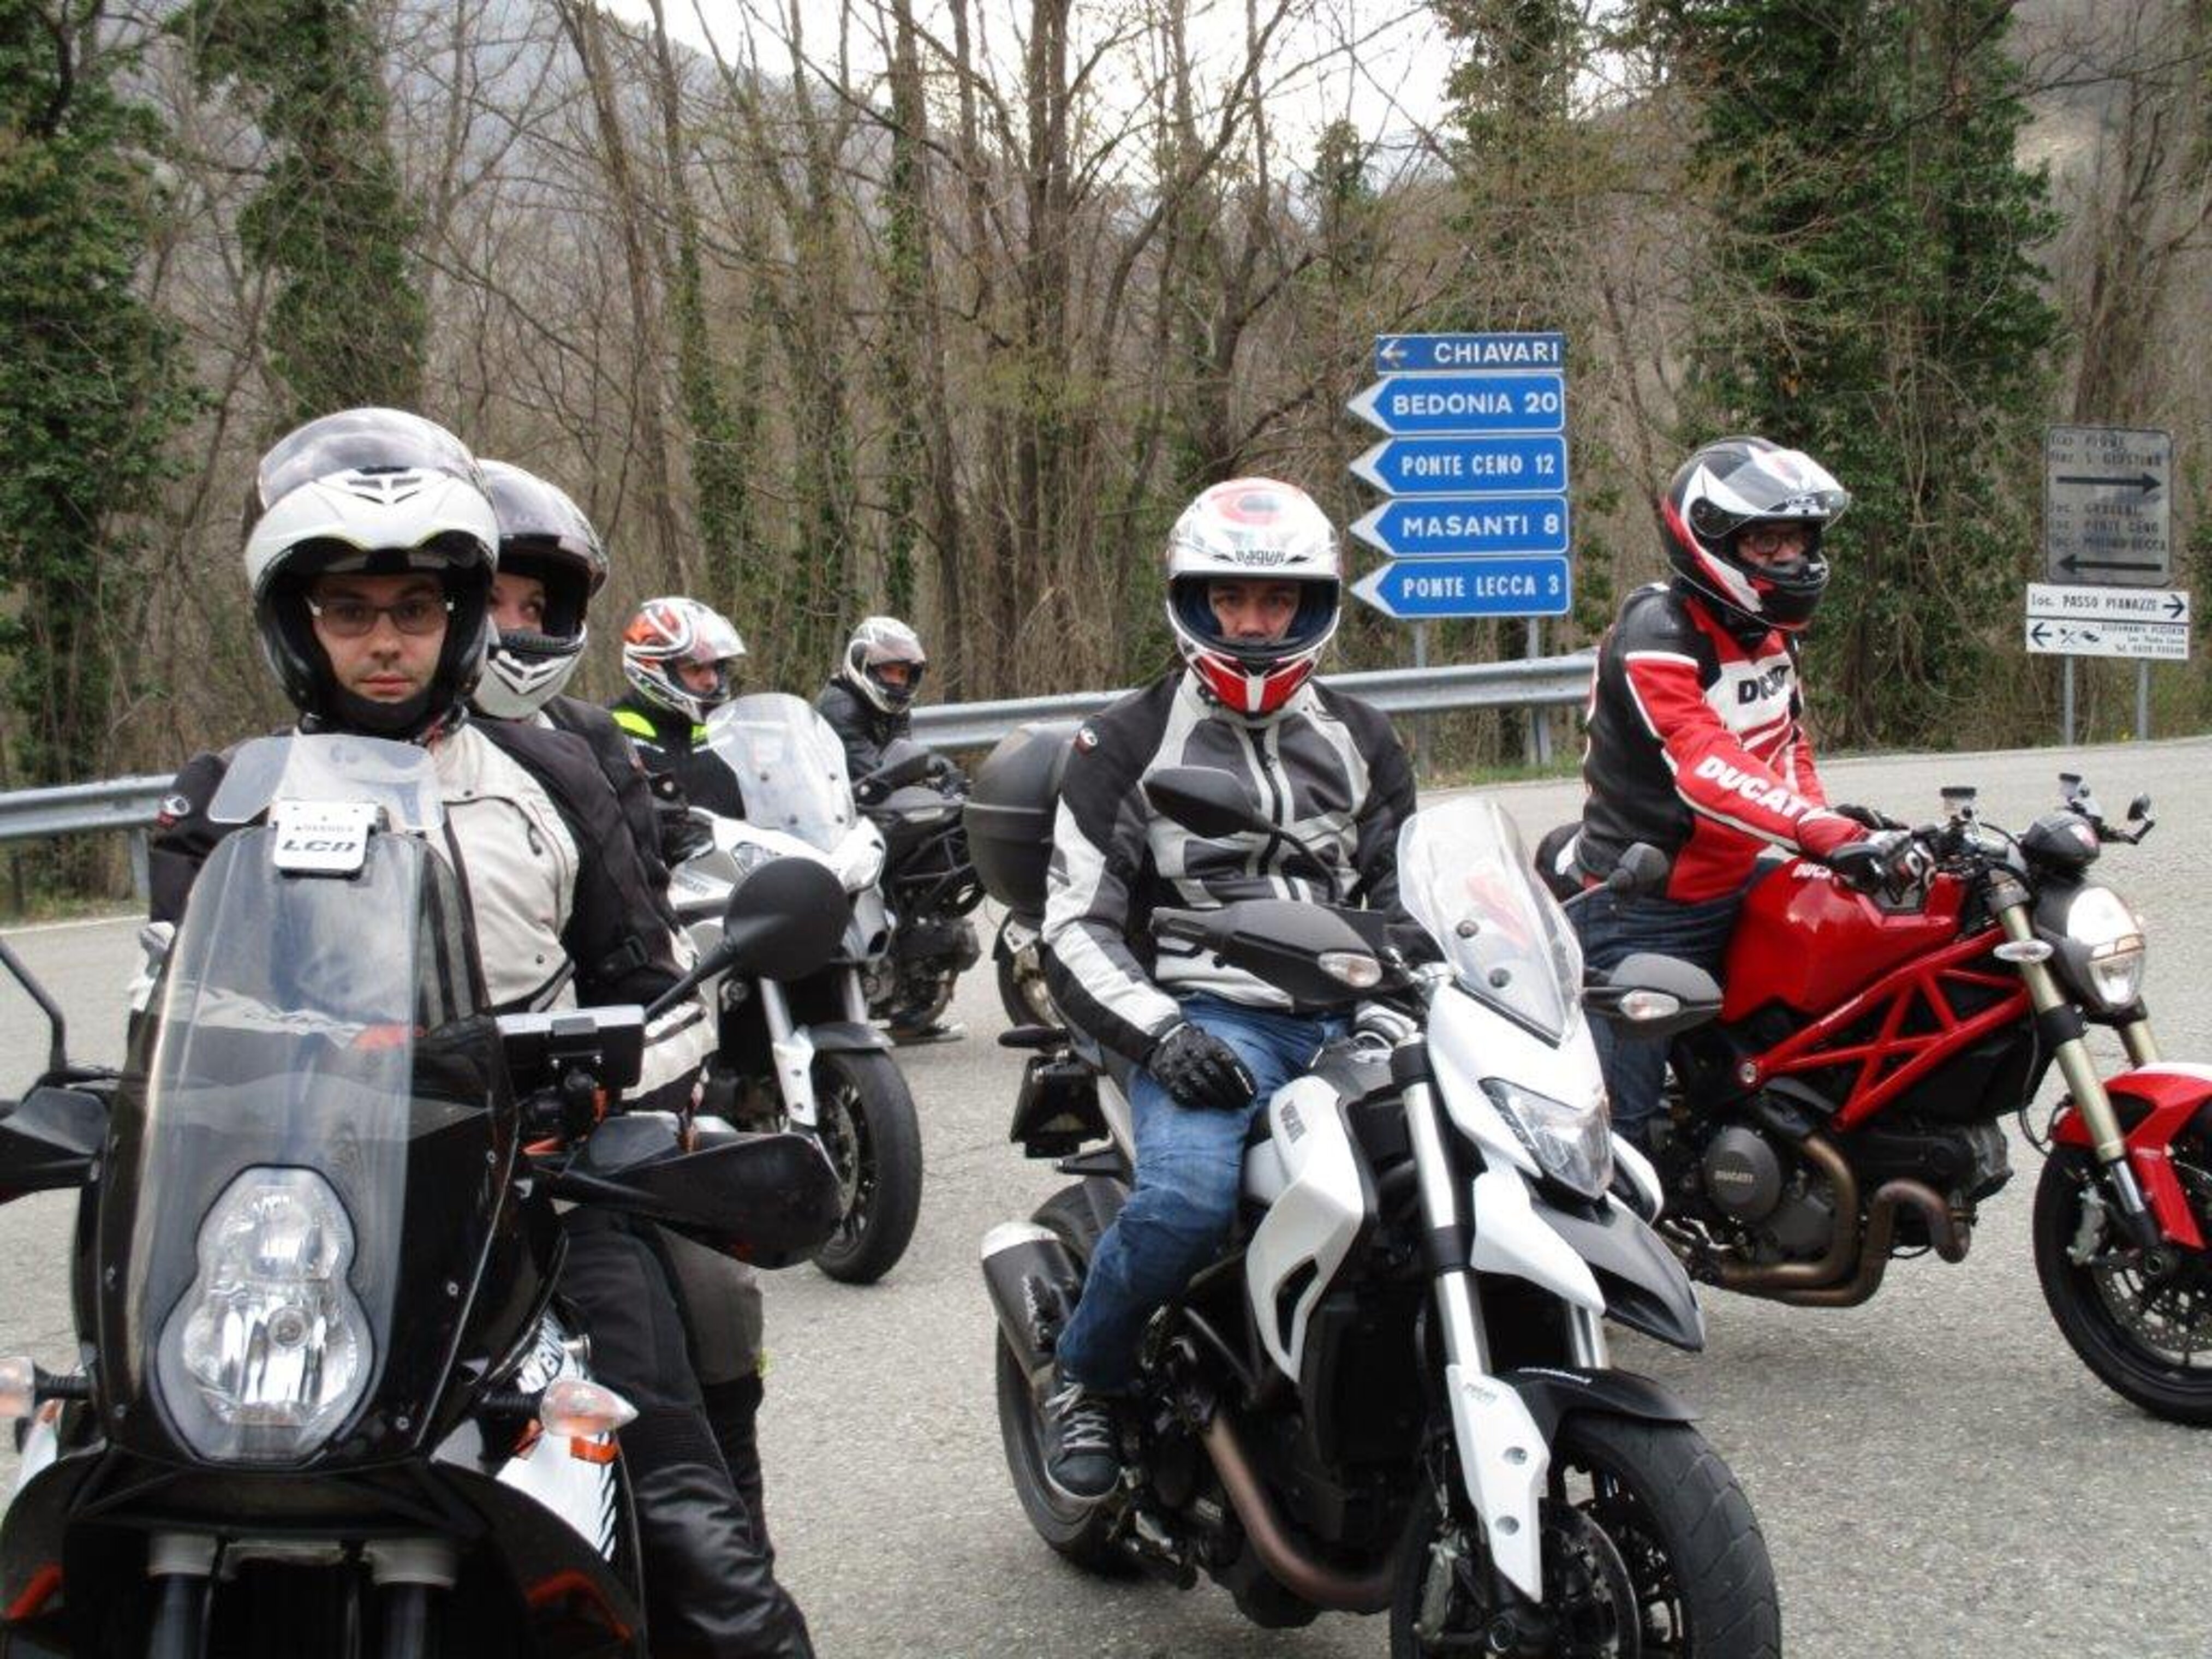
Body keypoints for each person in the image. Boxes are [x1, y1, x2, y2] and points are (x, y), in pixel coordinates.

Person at [144, 410, 813, 1659]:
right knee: (113, 1468)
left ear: (458, 617)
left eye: (415, 608)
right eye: (351, 611)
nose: (385, 641)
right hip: (293, 1209)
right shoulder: (227, 795)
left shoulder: (557, 774)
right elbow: (170, 1017)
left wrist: (587, 1088)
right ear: (296, 622)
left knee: (688, 1526)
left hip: (539, 1196)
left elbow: (661, 996)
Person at [1036, 477, 1416, 1501]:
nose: (1253, 625)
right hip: (1206, 1018)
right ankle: (1086, 1377)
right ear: (1191, 601)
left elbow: (1412, 899)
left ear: (1313, 606)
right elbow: (1072, 926)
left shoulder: (1365, 737)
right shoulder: (1122, 741)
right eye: (1230, 599)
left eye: (1277, 601)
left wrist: (1396, 1007)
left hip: (1348, 1014)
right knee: (1187, 1201)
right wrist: (1163, 1036)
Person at [470, 457, 781, 1573]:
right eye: (487, 601)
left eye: (531, 607)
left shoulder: (585, 748)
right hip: (367, 1162)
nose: (511, 628)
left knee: (708, 1299)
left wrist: (619, 1076)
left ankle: (733, 1568)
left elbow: (640, 955)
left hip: (554, 1136)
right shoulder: (261, 782)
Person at [1567, 435, 1924, 1153]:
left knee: (1833, 1014)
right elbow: (1705, 763)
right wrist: (1819, 833)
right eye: (1767, 543)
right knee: (1618, 1137)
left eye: (1799, 540)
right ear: (1711, 541)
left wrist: (1829, 826)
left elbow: (1786, 745)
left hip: (1736, 885)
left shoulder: (1768, 633)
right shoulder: (1657, 632)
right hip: (1644, 907)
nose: (1792, 559)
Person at [611, 596, 750, 828]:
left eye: (717, 667)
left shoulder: (728, 731)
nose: (712, 680)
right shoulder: (610, 733)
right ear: (654, 667)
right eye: (696, 668)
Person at [815, 615, 959, 795]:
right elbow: (879, 773)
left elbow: (901, 757)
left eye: (903, 673)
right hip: (829, 801)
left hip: (861, 798)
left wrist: (941, 768)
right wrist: (932, 768)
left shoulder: (893, 709)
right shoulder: (839, 706)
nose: (897, 681)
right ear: (862, 663)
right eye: (888, 670)